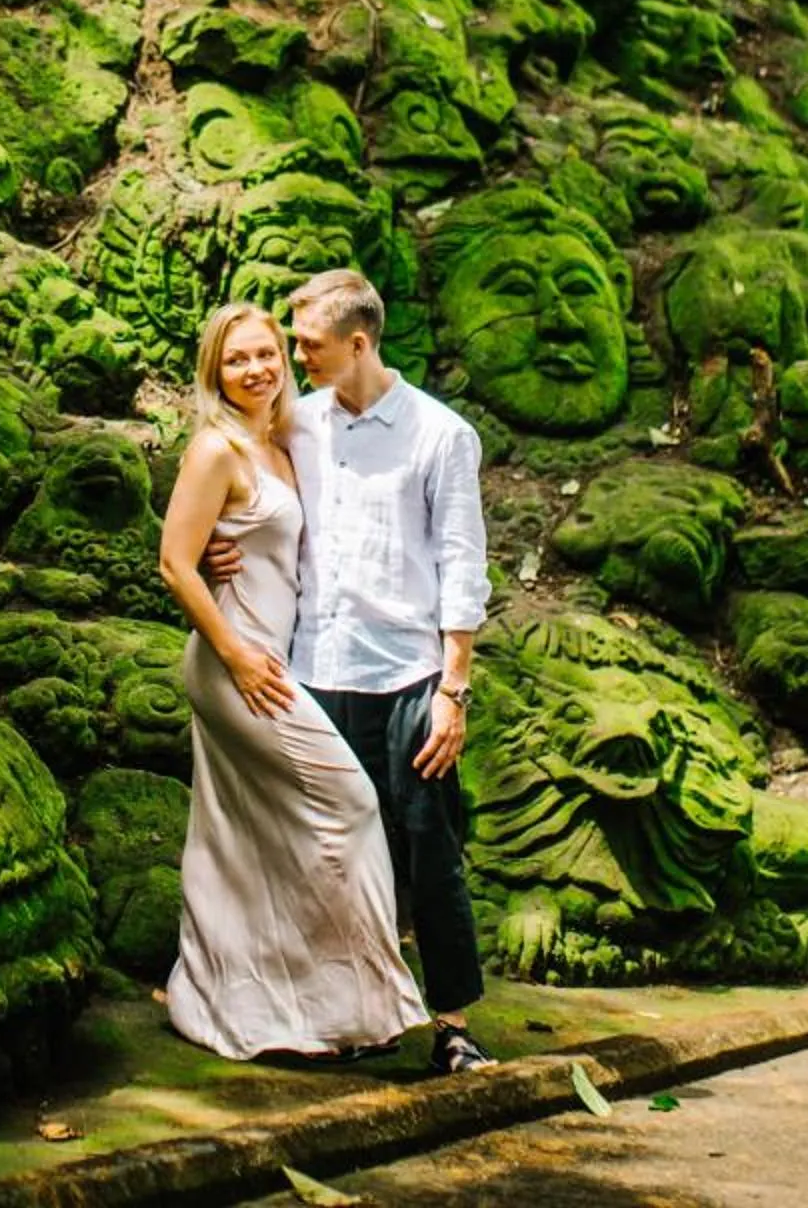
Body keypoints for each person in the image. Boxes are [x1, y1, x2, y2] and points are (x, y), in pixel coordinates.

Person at [157, 301, 428, 1062]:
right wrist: (238, 654)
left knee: (248, 836)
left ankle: (253, 1001)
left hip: (276, 657)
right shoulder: (217, 449)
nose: (255, 369)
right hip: (237, 666)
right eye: (236, 359)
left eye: (266, 354)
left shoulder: (284, 439)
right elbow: (175, 561)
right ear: (216, 371)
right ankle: (368, 1000)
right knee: (349, 801)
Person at [268, 266, 498, 1073]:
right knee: (325, 855)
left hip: (407, 674)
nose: (300, 360)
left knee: (430, 848)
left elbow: (463, 563)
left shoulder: (441, 435)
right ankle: (338, 1018)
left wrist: (453, 689)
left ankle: (454, 1025)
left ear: (358, 343)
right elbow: (253, 503)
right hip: (314, 671)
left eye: (311, 346)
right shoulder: (296, 424)